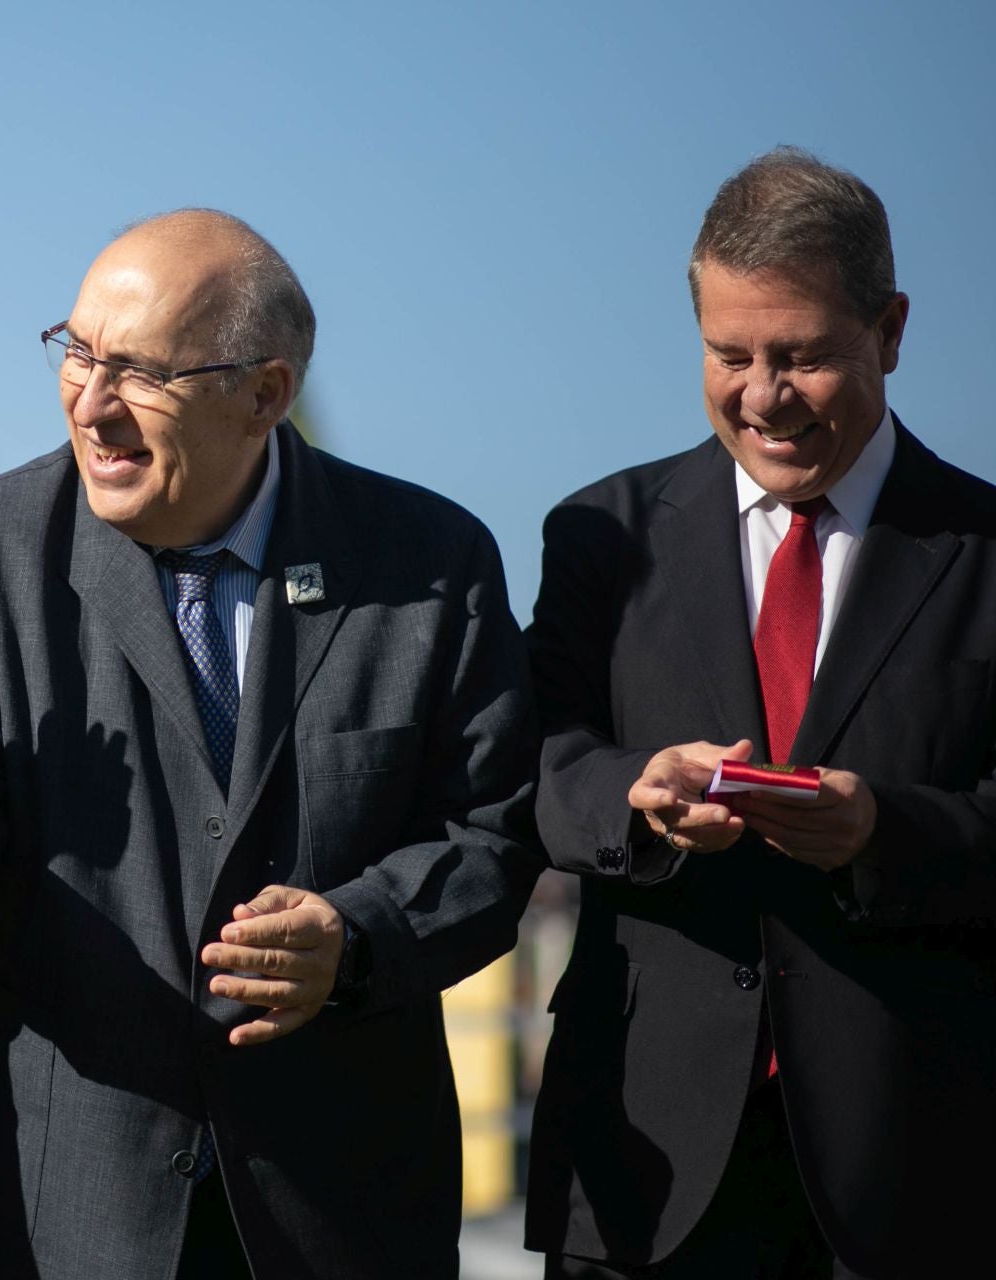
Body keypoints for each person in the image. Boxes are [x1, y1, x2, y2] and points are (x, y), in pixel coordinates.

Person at [0, 209, 542, 1278]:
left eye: (141, 372)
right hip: (43, 1214)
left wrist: (355, 936)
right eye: (76, 352)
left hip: (334, 1213)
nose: (92, 402)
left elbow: (493, 834)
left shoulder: (430, 561)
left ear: (265, 393)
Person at [523, 148, 996, 1278]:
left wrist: (886, 828)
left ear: (890, 330)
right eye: (729, 354)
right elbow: (539, 761)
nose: (763, 395)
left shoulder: (984, 551)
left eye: (804, 357)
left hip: (915, 1175)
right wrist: (633, 802)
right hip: (644, 1166)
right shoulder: (601, 532)